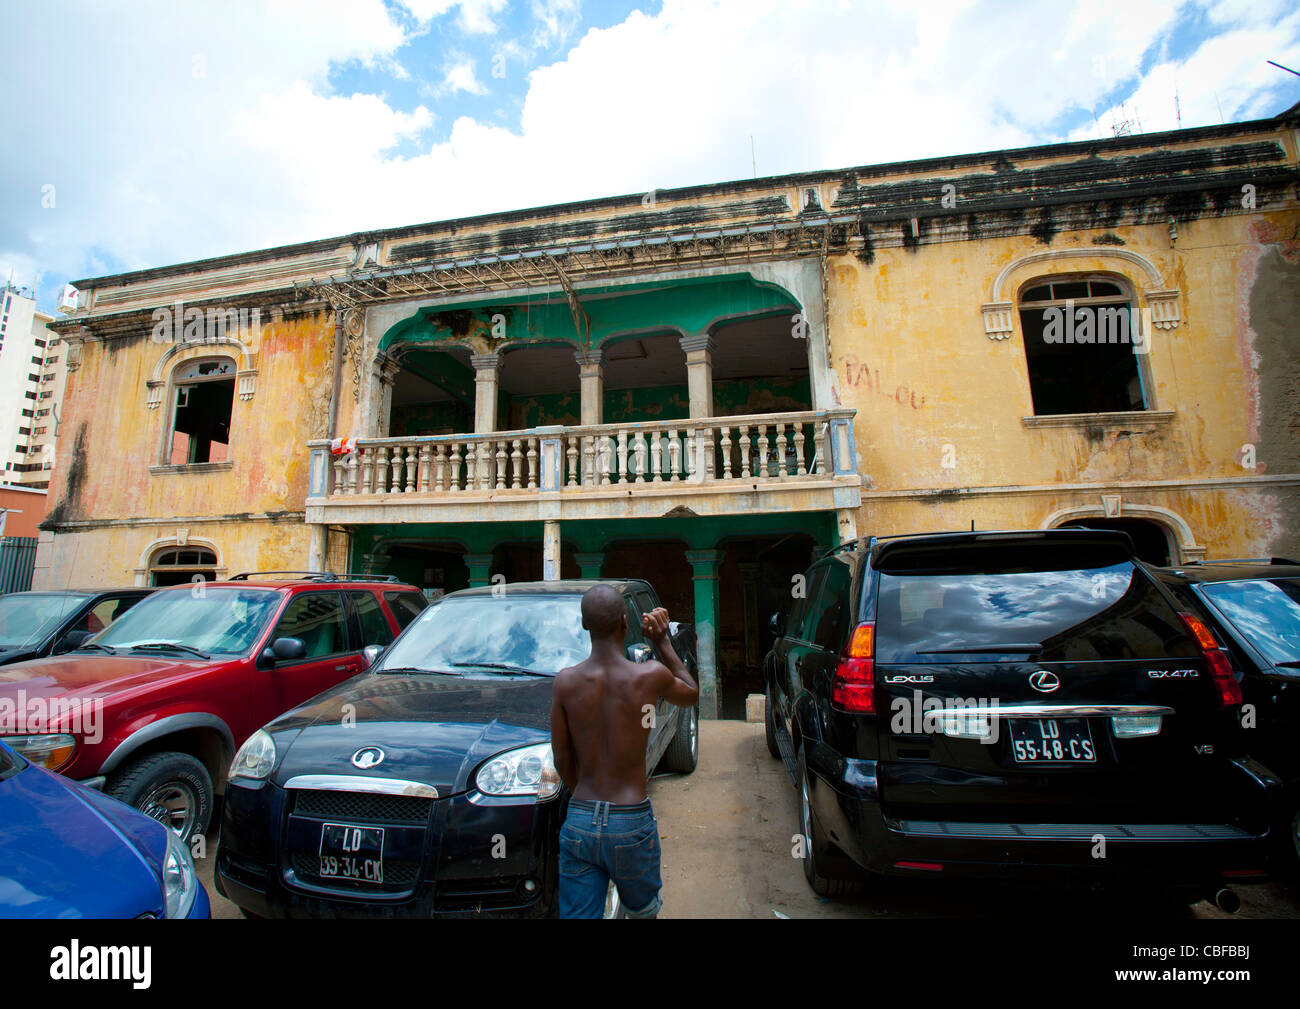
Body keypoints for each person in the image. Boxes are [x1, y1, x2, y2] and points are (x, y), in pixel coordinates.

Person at [549, 584, 699, 918]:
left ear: (585, 625)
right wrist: (661, 642)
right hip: (631, 820)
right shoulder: (648, 676)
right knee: (642, 912)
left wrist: (585, 801)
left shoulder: (566, 682)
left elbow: (561, 758)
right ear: (624, 623)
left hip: (580, 819)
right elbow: (690, 692)